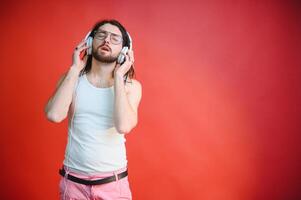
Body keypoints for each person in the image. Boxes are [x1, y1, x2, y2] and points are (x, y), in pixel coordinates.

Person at [44, 19, 142, 200]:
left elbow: (124, 126)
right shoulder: (72, 78)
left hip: (114, 185)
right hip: (73, 184)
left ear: (124, 51)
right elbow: (54, 115)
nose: (106, 41)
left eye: (114, 39)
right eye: (101, 35)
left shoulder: (131, 86)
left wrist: (119, 77)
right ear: (89, 42)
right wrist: (74, 70)